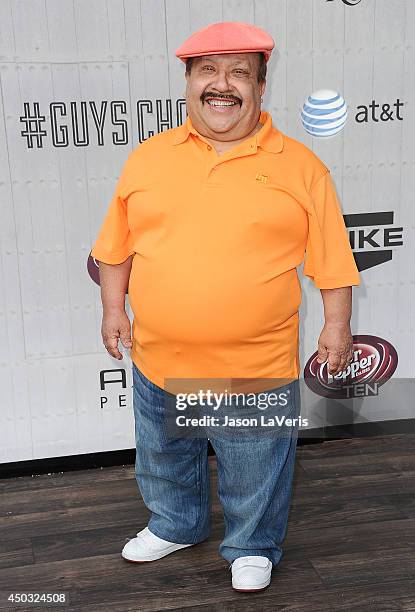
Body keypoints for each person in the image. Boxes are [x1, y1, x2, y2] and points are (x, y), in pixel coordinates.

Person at [90, 21, 360, 593]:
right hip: (158, 360)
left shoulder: (301, 166)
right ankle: (175, 524)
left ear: (262, 87)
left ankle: (252, 545)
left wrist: (337, 329)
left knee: (255, 467)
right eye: (209, 70)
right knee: (165, 457)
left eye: (240, 72)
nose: (223, 84)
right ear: (188, 82)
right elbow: (115, 247)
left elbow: (334, 262)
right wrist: (114, 310)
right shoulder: (148, 158)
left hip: (254, 367)